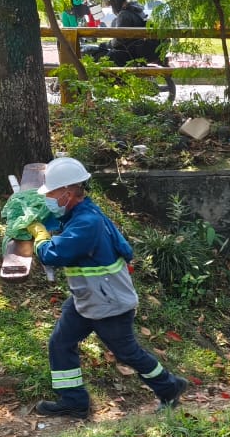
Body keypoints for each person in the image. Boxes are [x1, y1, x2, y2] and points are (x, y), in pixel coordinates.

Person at [26, 156, 188, 418]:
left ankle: (169, 387)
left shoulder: (86, 223)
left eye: (51, 193)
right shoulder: (81, 212)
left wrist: (40, 235)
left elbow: (52, 255)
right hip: (89, 298)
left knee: (128, 353)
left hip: (109, 303)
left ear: (67, 194)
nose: (49, 198)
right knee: (60, 343)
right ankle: (74, 402)